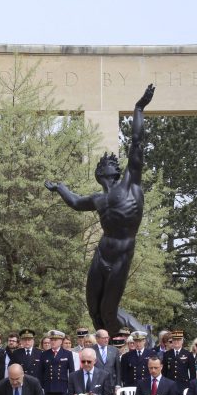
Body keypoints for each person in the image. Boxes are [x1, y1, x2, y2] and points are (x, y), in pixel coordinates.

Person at [45, 84, 155, 335]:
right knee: (94, 310)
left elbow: (136, 143)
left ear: (112, 171)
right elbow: (74, 202)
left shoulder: (130, 184)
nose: (103, 165)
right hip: (101, 254)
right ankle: (109, 348)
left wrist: (139, 109)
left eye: (106, 163)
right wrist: (59, 187)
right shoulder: (97, 199)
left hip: (121, 256)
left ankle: (139, 337)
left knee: (108, 310)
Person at [162, 330, 195, 395]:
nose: (176, 342)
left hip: (184, 385)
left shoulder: (188, 354)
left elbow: (192, 372)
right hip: (170, 384)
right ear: (172, 341)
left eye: (179, 340)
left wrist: (191, 385)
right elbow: (164, 372)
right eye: (174, 340)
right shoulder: (166, 354)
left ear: (182, 341)